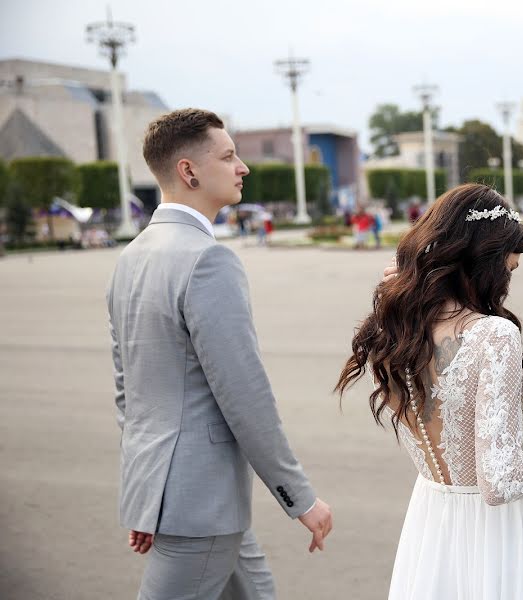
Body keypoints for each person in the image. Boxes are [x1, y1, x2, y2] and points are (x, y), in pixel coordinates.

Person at [336, 183, 523, 600]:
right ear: (483, 262)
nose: (507, 282)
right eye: (509, 268)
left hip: (430, 529)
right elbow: (500, 482)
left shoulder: (392, 327)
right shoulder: (492, 335)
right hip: (497, 538)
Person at [107, 108, 332, 599]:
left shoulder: (132, 256)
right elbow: (245, 396)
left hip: (187, 499)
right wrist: (300, 498)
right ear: (189, 171)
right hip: (201, 504)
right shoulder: (208, 259)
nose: (242, 167)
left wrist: (150, 498)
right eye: (228, 156)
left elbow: (130, 395)